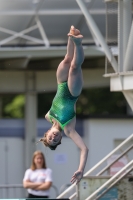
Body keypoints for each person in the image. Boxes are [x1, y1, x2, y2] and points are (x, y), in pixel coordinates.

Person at [39, 25, 88, 184]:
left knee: (67, 58)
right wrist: (81, 169)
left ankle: (72, 35)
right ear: (60, 139)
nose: (54, 137)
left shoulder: (49, 116)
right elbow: (84, 149)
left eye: (50, 138)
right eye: (56, 140)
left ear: (47, 133)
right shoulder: (69, 129)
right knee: (74, 67)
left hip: (60, 84)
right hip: (72, 93)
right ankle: (79, 43)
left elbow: (48, 115)